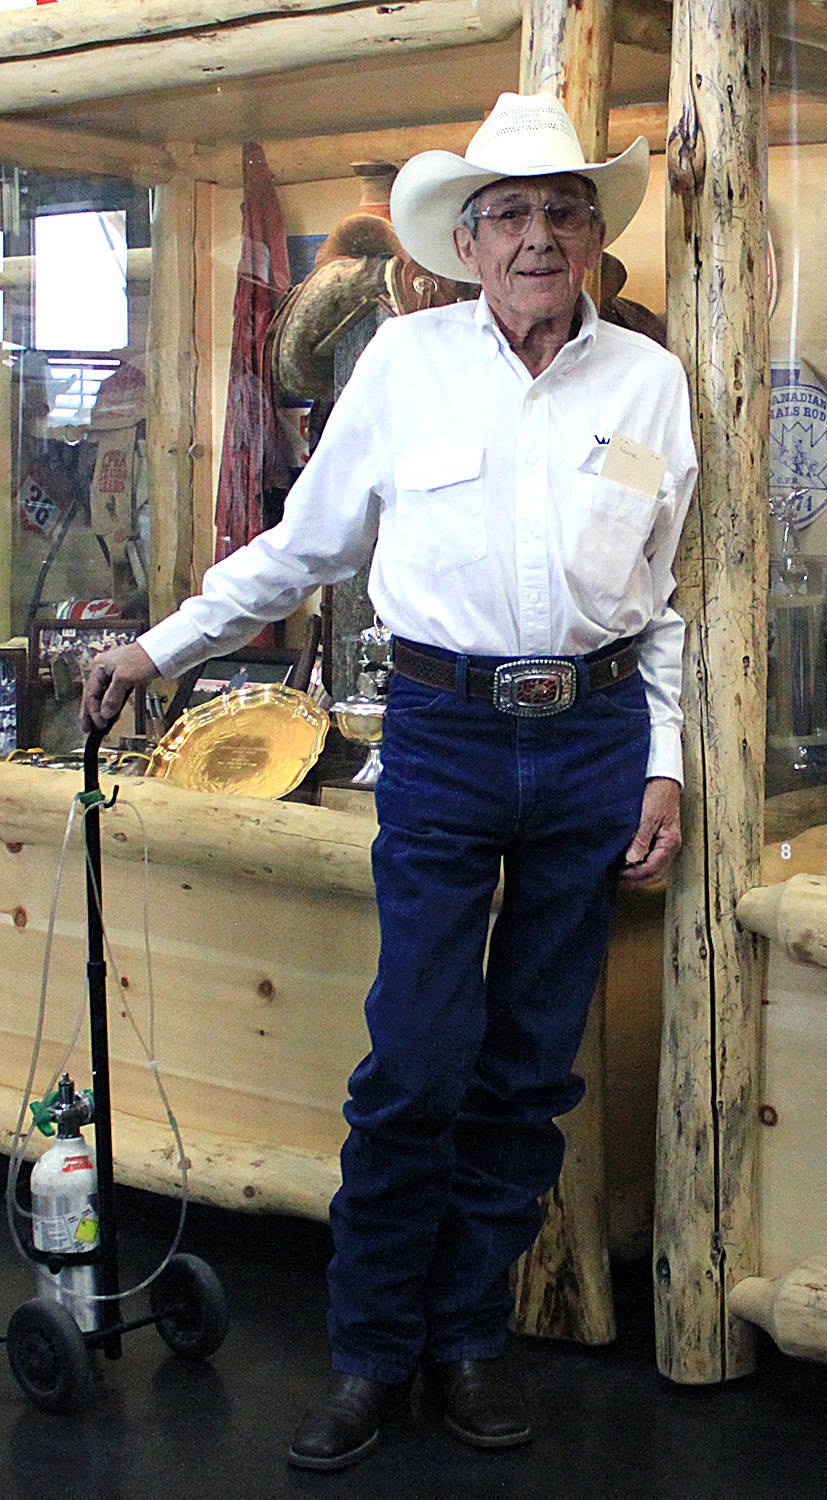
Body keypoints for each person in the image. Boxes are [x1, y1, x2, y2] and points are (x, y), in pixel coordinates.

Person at [80, 92, 698, 1473]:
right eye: (510, 215)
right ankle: (369, 1354)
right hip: (445, 737)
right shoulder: (405, 364)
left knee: (529, 1072)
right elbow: (302, 547)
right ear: (467, 244)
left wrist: (660, 765)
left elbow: (660, 603)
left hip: (594, 741)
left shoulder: (646, 383)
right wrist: (159, 645)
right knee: (415, 1059)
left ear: (592, 235)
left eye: (562, 211)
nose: (537, 238)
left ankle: (464, 1341)